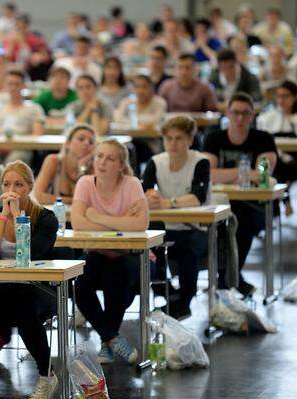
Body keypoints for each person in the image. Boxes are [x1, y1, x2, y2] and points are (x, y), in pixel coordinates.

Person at [0, 160, 59, 399]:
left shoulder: (46, 218)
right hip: (1, 288)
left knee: (24, 307)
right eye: (7, 184)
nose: (12, 190)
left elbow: (30, 253)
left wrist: (19, 217)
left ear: (29, 188)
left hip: (39, 288)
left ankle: (47, 375)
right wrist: (3, 219)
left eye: (18, 184)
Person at [71, 139, 149, 364]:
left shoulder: (132, 183)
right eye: (99, 156)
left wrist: (96, 217)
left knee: (118, 276)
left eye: (110, 158)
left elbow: (141, 224)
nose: (103, 162)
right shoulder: (85, 183)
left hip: (130, 254)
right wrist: (122, 222)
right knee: (80, 282)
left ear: (121, 165)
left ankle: (107, 343)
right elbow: (77, 223)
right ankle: (111, 338)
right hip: (98, 252)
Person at [203, 93, 278, 297]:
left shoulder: (263, 139)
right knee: (217, 225)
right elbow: (208, 173)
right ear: (227, 113)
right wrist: (244, 173)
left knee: (243, 223)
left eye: (245, 114)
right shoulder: (213, 137)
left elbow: (263, 175)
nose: (240, 118)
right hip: (220, 201)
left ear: (252, 116)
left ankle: (227, 278)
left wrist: (225, 175)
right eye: (235, 113)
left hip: (252, 203)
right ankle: (230, 278)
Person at [141, 116, 210, 318]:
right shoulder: (156, 161)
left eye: (179, 138)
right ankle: (168, 294)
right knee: (150, 246)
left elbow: (198, 197)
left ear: (190, 139)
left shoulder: (200, 161)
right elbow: (143, 192)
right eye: (168, 138)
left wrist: (166, 202)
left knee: (188, 249)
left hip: (196, 227)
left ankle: (185, 301)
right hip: (167, 227)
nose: (173, 143)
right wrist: (150, 196)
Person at [0, 69, 45, 163]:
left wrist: (14, 146)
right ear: (5, 85)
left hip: (21, 149)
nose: (13, 87)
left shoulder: (34, 109)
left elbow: (37, 136)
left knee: (14, 160)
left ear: (24, 86)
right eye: (10, 84)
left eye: (17, 84)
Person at [257, 80, 297, 214]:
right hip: (278, 160)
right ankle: (284, 201)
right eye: (279, 96)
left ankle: (285, 199)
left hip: (294, 161)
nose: (281, 100)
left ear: (294, 97)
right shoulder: (269, 117)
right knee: (270, 163)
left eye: (286, 96)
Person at [35, 123, 95, 205]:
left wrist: (82, 169)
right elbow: (39, 196)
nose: (86, 143)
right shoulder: (53, 161)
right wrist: (74, 201)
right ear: (68, 143)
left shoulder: (94, 167)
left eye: (91, 142)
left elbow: (92, 201)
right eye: (81, 139)